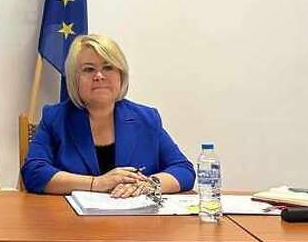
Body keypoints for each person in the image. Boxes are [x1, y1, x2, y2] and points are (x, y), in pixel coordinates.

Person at [21, 34, 194, 197]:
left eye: (108, 67)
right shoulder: (55, 118)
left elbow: (184, 170)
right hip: (70, 217)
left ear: (121, 75)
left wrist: (148, 185)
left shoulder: (147, 119)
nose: (99, 76)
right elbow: (33, 173)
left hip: (134, 217)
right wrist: (96, 183)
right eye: (89, 69)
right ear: (74, 79)